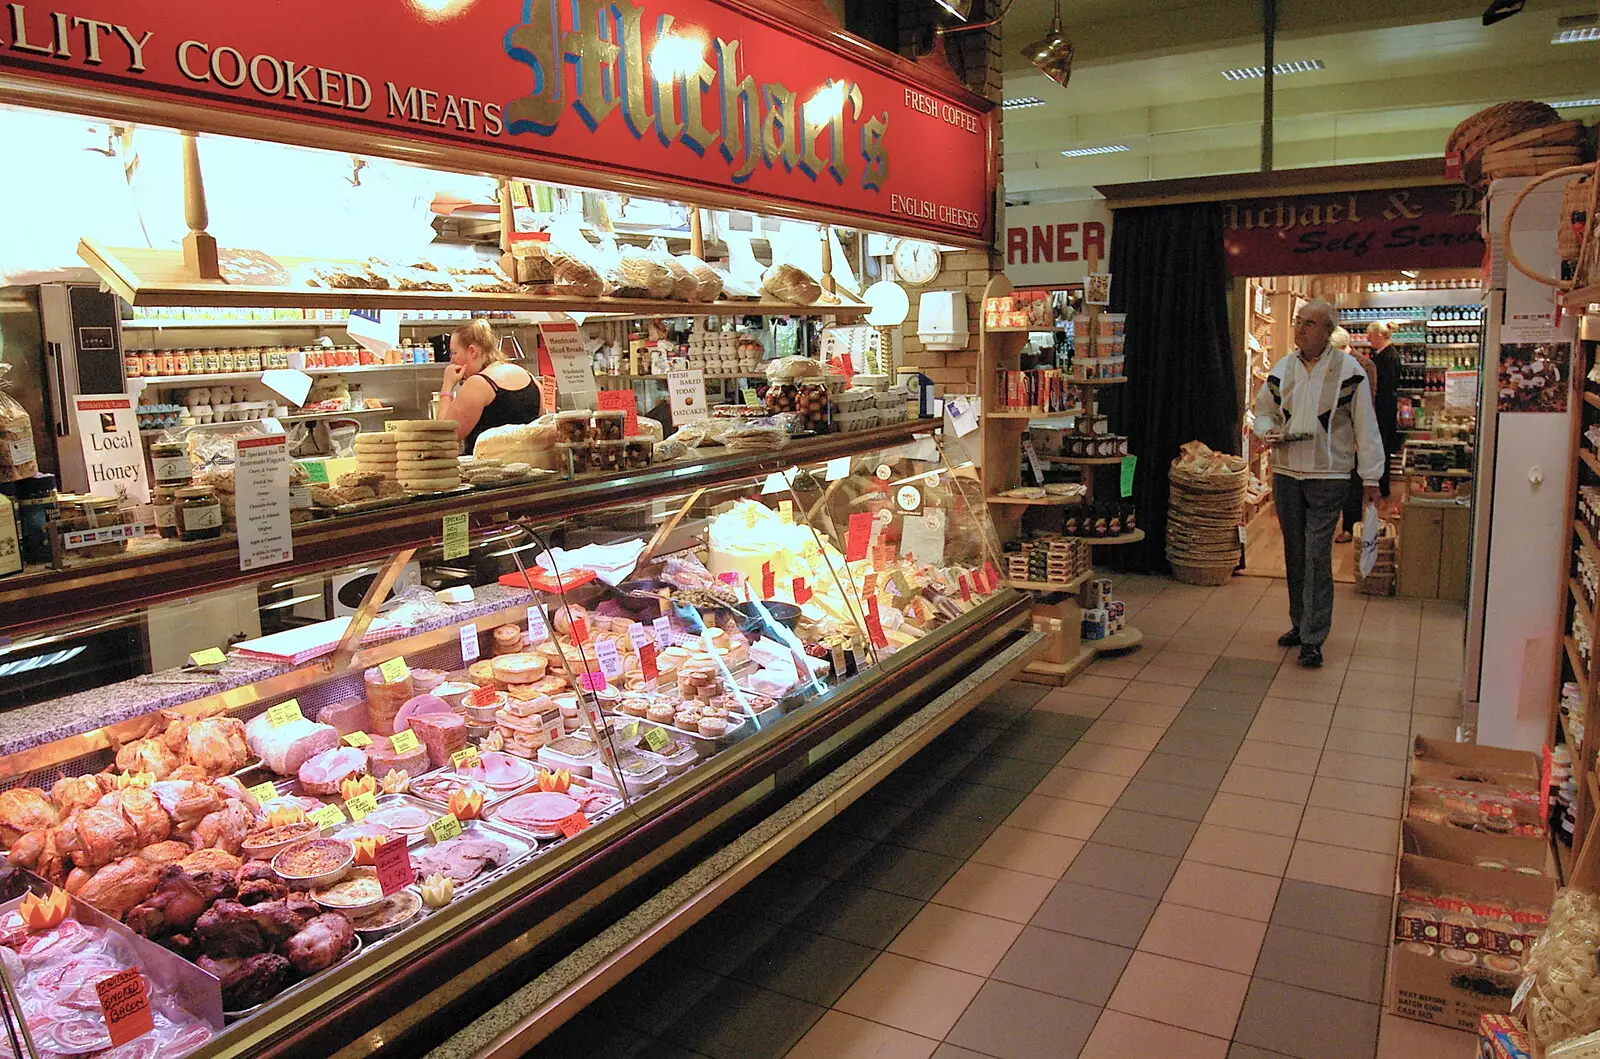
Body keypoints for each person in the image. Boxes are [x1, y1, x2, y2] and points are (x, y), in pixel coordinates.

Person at [1252, 300, 1385, 668]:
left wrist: (1371, 476)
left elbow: (1365, 425)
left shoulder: (1349, 371)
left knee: (1315, 553)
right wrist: (1267, 430)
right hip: (1288, 474)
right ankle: (1300, 622)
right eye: (1298, 322)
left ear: (1327, 332)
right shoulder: (1285, 367)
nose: (1300, 330)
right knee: (1295, 553)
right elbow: (1263, 410)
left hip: (1329, 476)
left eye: (1309, 324)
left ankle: (1313, 637)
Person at [435, 320, 542, 454]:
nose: (451, 360)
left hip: (487, 471)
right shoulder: (531, 378)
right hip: (529, 468)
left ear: (472, 351)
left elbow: (443, 438)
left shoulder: (477, 384)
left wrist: (447, 386)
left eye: (454, 353)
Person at [1332, 326, 1378, 543]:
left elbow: (1367, 404)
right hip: (1331, 432)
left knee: (1352, 483)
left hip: (1352, 431)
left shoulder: (1364, 365)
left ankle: (1350, 527)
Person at [1367, 321, 1402, 503]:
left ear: (1380, 336)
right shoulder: (1384, 354)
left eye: (1370, 336)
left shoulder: (1388, 357)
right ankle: (1380, 484)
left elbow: (1384, 386)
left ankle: (1383, 486)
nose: (1367, 339)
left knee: (1382, 448)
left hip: (1384, 409)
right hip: (1384, 407)